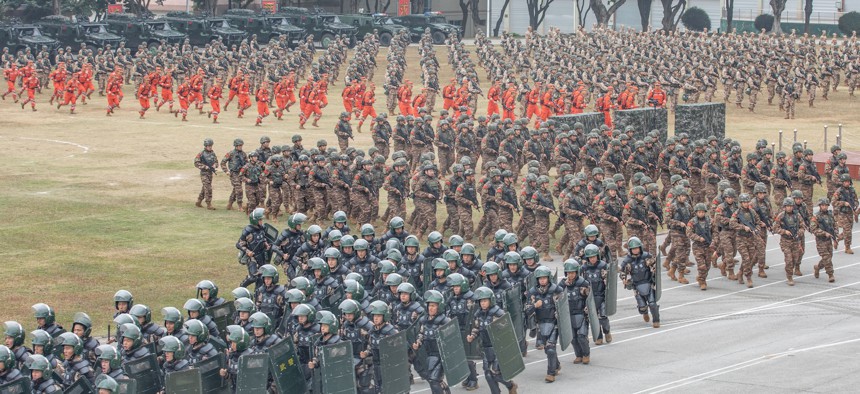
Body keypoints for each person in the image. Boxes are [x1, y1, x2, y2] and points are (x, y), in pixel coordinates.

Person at [467, 287, 518, 394]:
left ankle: (510, 385)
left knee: (496, 373)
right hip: (486, 347)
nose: (483, 303)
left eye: (485, 300)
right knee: (488, 374)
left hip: (498, 348)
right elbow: (476, 328)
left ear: (491, 300)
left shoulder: (498, 313)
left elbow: (506, 329)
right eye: (481, 301)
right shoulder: (479, 314)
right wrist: (472, 336)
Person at [525, 266, 562, 382]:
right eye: (540, 278)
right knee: (547, 349)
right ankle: (556, 365)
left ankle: (550, 373)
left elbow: (564, 307)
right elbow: (526, 311)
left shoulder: (556, 290)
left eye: (544, 278)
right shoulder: (532, 293)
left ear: (548, 278)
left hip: (553, 323)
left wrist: (558, 310)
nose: (542, 280)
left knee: (550, 348)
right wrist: (535, 306)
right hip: (540, 324)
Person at [412, 290, 452, 393]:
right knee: (433, 379)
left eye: (433, 306)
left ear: (439, 306)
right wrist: (418, 343)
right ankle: (446, 389)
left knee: (433, 380)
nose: (431, 308)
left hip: (440, 355)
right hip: (429, 354)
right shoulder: (424, 321)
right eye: (429, 305)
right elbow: (421, 334)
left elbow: (451, 339)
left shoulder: (445, 321)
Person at [619, 237, 660, 328]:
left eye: (637, 248)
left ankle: (656, 320)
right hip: (636, 285)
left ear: (640, 248)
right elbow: (622, 271)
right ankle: (644, 312)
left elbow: (655, 263)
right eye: (633, 249)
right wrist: (624, 279)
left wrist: (653, 267)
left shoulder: (646, 256)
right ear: (630, 250)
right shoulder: (627, 260)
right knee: (642, 306)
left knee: (652, 303)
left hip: (649, 283)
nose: (635, 250)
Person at [580, 244, 612, 344]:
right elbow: (580, 282)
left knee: (603, 317)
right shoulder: (583, 268)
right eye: (590, 257)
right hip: (590, 297)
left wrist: (607, 281)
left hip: (601, 295)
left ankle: (607, 331)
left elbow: (609, 280)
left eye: (594, 256)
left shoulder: (603, 265)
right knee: (593, 318)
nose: (592, 259)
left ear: (597, 256)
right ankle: (598, 336)